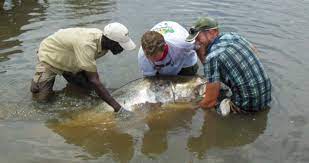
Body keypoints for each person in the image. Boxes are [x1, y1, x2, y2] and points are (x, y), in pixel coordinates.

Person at [30, 22, 136, 112]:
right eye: (121, 46)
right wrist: (118, 108)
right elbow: (95, 80)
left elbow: (88, 68)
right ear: (111, 42)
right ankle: (37, 82)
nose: (122, 49)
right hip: (50, 56)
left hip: (72, 60)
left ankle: (69, 83)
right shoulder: (87, 45)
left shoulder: (103, 45)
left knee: (88, 90)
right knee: (41, 103)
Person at [186, 16, 271, 114]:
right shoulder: (233, 36)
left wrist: (191, 108)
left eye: (198, 37)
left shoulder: (212, 57)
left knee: (209, 108)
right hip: (266, 96)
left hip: (249, 106)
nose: (196, 42)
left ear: (211, 32)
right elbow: (254, 51)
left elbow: (209, 102)